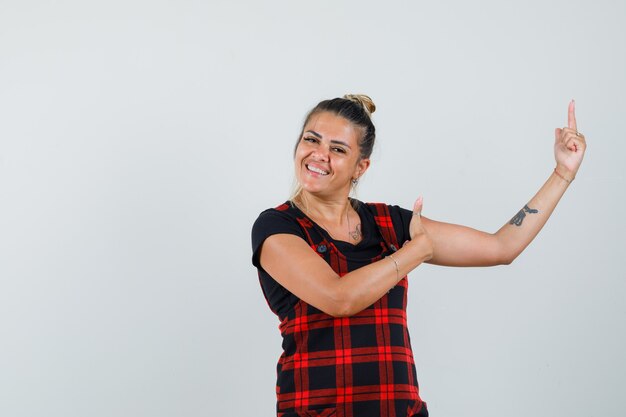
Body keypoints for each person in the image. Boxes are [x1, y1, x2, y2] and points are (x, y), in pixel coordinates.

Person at [251, 94, 586, 417]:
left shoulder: (390, 223)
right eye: (312, 140)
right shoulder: (277, 227)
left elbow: (502, 246)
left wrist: (562, 173)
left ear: (360, 167)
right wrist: (413, 254)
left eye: (337, 149)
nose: (319, 154)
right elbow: (339, 298)